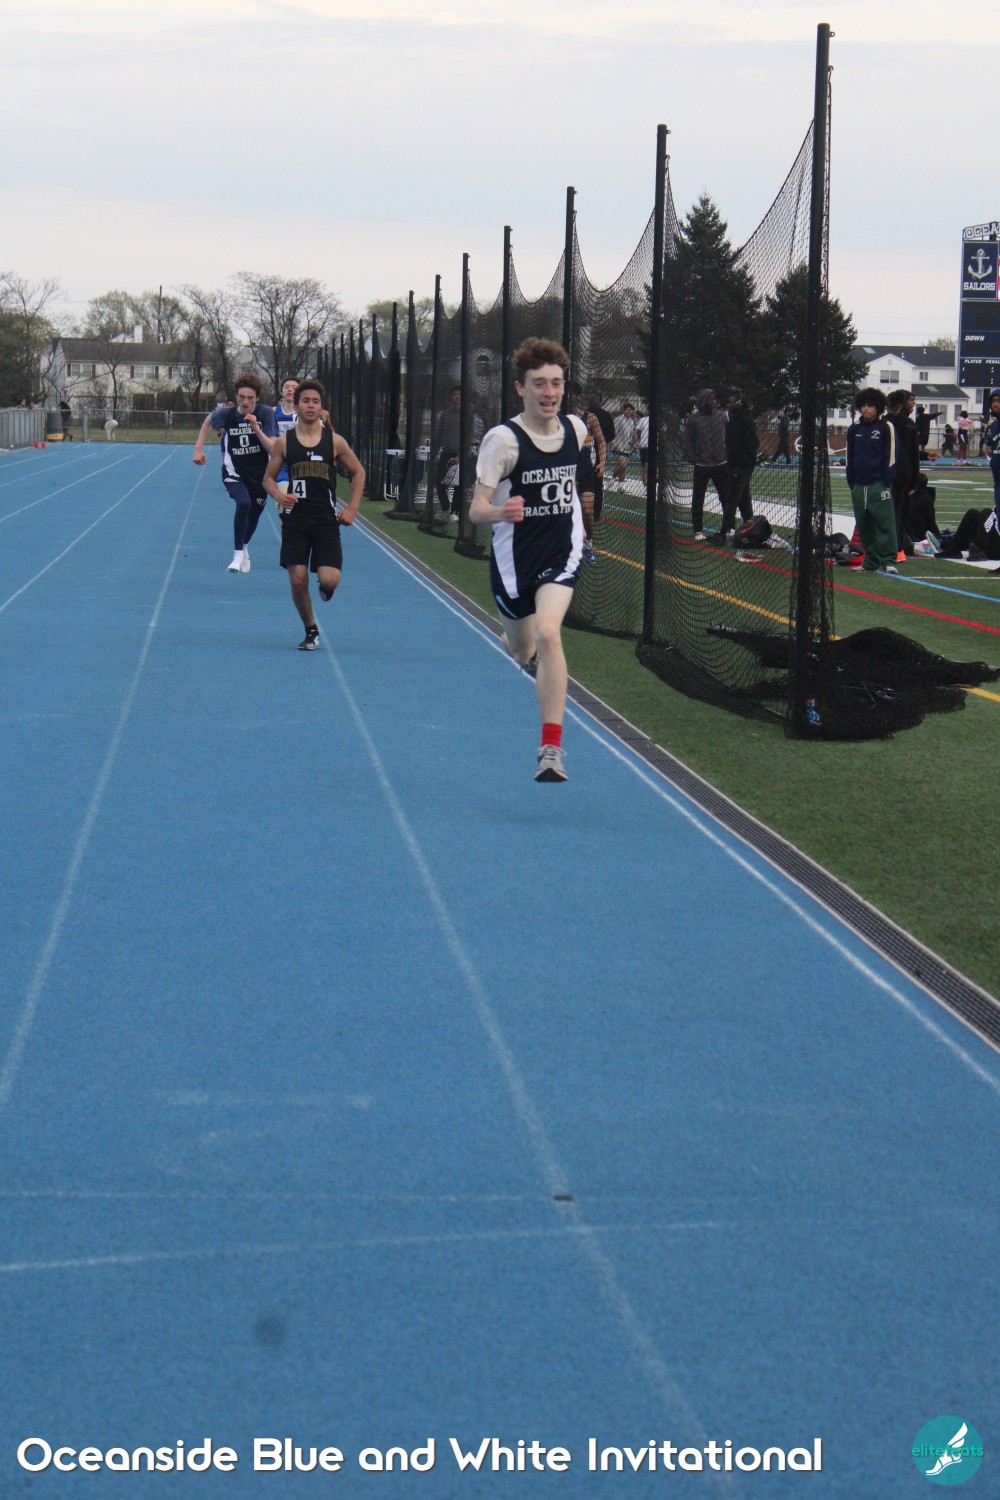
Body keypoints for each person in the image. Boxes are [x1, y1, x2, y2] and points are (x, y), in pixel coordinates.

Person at [468, 337, 586, 783]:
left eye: (556, 383)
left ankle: (551, 750)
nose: (549, 392)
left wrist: (582, 518)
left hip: (560, 551)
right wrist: (502, 512)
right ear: (521, 388)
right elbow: (476, 510)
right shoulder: (503, 441)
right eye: (539, 383)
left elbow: (574, 483)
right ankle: (521, 648)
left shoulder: (575, 430)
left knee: (549, 631)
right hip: (514, 562)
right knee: (523, 647)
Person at [262, 379, 365, 650]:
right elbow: (268, 480)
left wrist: (352, 508)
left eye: (315, 402)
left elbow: (358, 472)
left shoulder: (335, 442)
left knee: (330, 579)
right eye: (306, 401)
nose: (311, 405)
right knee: (298, 577)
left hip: (325, 520)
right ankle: (310, 629)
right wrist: (279, 496)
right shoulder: (284, 442)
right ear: (296, 406)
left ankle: (325, 587)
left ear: (321, 408)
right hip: (295, 519)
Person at [192, 372, 278, 574]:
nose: (245, 402)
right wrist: (198, 449)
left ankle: (244, 547)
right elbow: (208, 422)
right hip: (234, 472)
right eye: (241, 397)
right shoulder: (226, 414)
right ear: (236, 396)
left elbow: (273, 449)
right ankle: (237, 555)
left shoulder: (265, 413)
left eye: (250, 398)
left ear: (257, 398)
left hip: (261, 475)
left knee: (254, 515)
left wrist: (256, 429)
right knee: (243, 503)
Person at [845, 388, 898, 574]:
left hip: (878, 484)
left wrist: (886, 481)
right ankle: (870, 561)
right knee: (864, 526)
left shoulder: (886, 427)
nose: (866, 409)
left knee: (885, 524)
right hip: (859, 485)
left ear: (878, 407)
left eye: (870, 405)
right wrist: (852, 482)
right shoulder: (854, 429)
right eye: (863, 405)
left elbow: (891, 455)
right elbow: (849, 456)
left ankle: (889, 560)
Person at [682, 388, 731, 541]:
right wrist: (693, 459)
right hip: (702, 466)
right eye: (710, 398)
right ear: (703, 400)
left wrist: (727, 454)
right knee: (698, 499)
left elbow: (729, 436)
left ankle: (728, 527)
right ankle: (698, 531)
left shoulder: (721, 416)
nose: (713, 401)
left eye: (714, 398)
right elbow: (687, 441)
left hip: (721, 463)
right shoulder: (694, 420)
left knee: (726, 497)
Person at [567, 383, 606, 565]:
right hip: (566, 473)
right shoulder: (557, 418)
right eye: (567, 393)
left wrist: (602, 462)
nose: (569, 396)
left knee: (588, 511)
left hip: (586, 472)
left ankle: (588, 545)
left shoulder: (589, 418)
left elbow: (601, 441)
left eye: (573, 393)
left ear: (577, 396)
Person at [886, 388, 919, 560]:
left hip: (887, 473)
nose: (913, 403)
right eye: (910, 400)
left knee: (889, 513)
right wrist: (914, 481)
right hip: (902, 474)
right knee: (900, 513)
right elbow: (913, 454)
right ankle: (897, 548)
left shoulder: (884, 423)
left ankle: (890, 547)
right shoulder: (908, 424)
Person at [723, 391, 757, 536]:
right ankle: (750, 526)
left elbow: (751, 445)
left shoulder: (746, 422)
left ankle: (728, 528)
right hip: (734, 466)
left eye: (731, 402)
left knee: (732, 499)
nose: (728, 404)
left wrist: (743, 466)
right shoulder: (731, 422)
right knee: (744, 500)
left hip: (741, 467)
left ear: (739, 404)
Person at [433, 386, 463, 522]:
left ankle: (455, 512)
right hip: (446, 453)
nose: (457, 397)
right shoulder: (445, 414)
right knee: (439, 482)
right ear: (451, 397)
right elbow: (439, 435)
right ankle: (445, 508)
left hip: (460, 455)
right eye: (455, 394)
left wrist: (459, 456)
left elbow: (468, 436)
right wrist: (435, 453)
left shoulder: (467, 414)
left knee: (458, 484)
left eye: (460, 394)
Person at [611, 403, 637, 482]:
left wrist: (634, 444)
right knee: (623, 466)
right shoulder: (619, 419)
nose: (629, 411)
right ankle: (614, 475)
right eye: (627, 410)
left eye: (630, 410)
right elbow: (614, 432)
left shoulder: (631, 421)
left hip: (627, 446)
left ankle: (621, 483)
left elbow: (631, 434)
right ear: (624, 410)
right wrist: (614, 444)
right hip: (619, 445)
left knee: (624, 468)